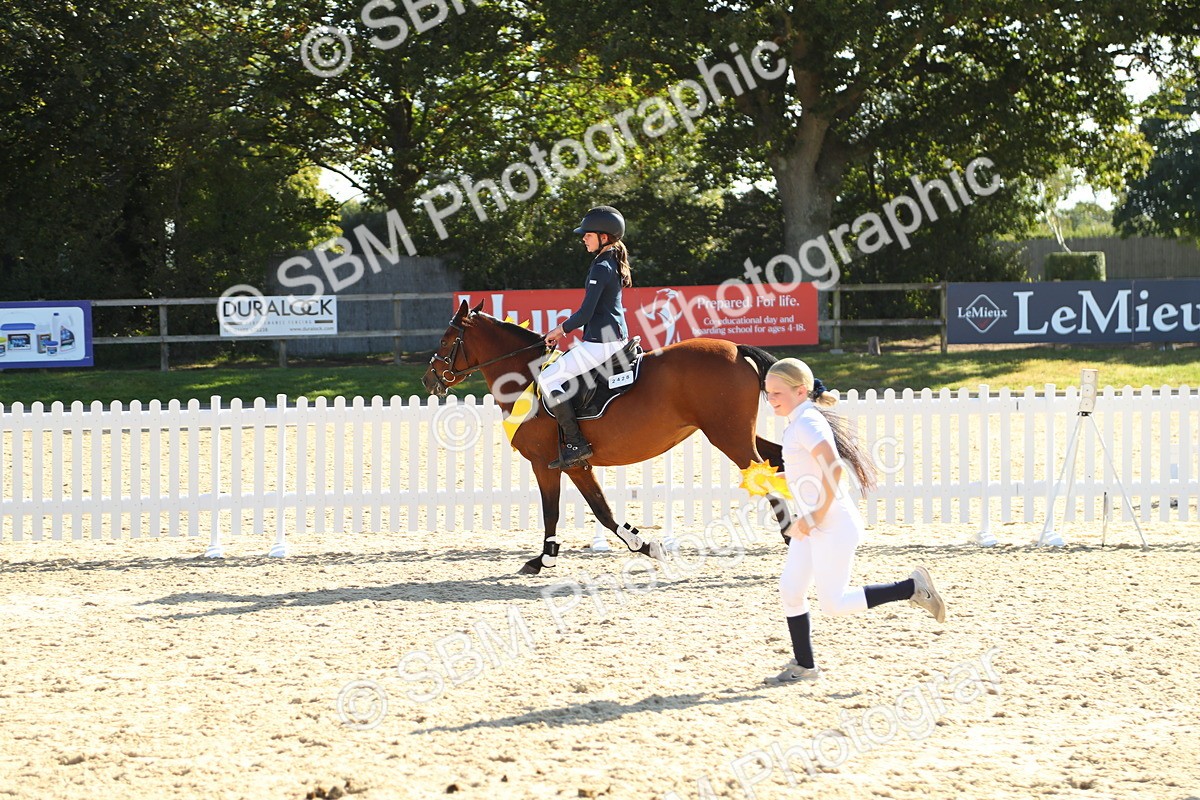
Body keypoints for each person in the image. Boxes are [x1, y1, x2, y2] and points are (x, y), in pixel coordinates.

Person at [763, 358, 946, 683]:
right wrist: (769, 477)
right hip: (814, 524)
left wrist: (815, 515)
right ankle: (805, 667)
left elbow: (833, 469)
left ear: (800, 391)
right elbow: (807, 473)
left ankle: (911, 588)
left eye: (777, 393)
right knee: (791, 589)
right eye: (768, 393)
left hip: (832, 525)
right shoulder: (796, 422)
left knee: (833, 604)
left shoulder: (807, 423)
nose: (771, 399)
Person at [537, 205, 632, 469]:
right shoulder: (610, 261)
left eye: (588, 235)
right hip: (612, 338)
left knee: (548, 377)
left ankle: (576, 443)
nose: (583, 238)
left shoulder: (601, 266)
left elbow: (586, 312)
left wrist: (560, 330)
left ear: (604, 237)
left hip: (602, 343)